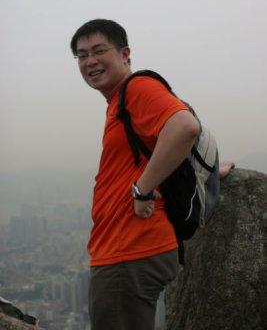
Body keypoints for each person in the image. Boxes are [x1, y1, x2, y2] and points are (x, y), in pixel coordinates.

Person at [70, 19, 202, 330]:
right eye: (81, 55)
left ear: (125, 53)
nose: (90, 61)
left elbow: (184, 127)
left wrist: (142, 189)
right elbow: (169, 141)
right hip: (125, 250)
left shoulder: (137, 88)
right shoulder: (118, 102)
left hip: (129, 249)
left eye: (99, 51)